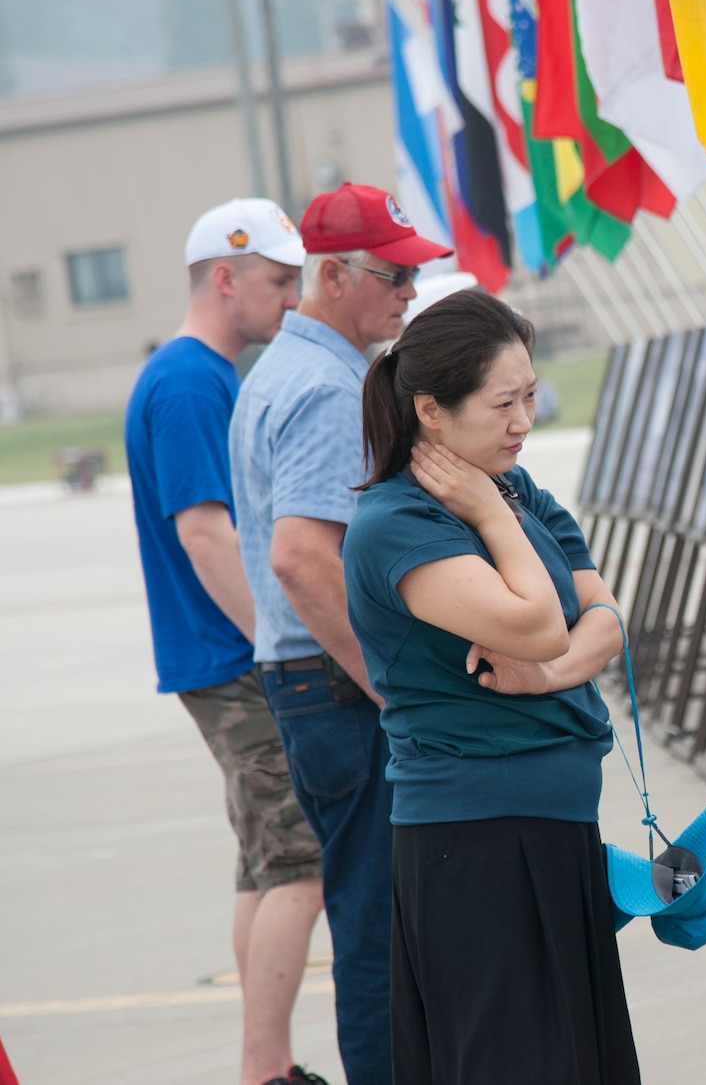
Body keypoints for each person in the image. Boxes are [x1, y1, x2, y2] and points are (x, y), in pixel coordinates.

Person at [343, 290, 638, 1082]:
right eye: (503, 402)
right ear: (432, 412)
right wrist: (490, 515)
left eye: (531, 395)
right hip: (477, 839)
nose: (524, 420)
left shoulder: (515, 487)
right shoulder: (400, 523)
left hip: (550, 826)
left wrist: (549, 674)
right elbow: (544, 620)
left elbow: (605, 615)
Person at [230, 182, 449, 1085]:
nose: (408, 291)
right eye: (393, 273)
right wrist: (388, 681)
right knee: (377, 922)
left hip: (313, 682)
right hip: (336, 687)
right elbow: (300, 557)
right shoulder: (324, 388)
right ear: (333, 273)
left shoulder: (289, 371)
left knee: (372, 910)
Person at [125, 199, 328, 1085]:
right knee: (303, 860)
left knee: (263, 863)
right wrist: (279, 643)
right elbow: (206, 532)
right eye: (279, 282)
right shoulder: (189, 382)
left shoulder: (199, 377)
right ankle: (265, 1070)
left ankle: (266, 1063)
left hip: (221, 656)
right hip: (236, 657)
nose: (291, 300)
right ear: (224, 277)